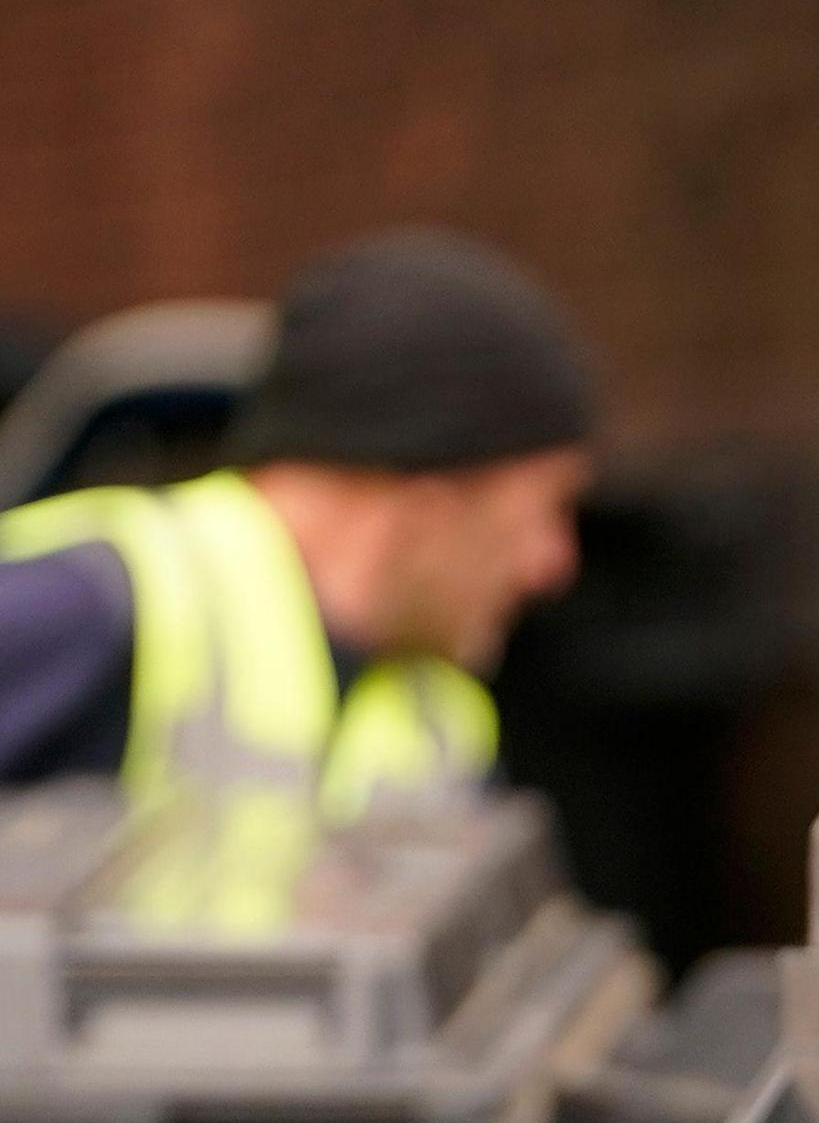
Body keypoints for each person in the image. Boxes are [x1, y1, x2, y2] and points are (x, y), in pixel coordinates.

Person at [0, 229, 595, 925]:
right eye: (542, 512)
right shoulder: (86, 607)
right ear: (429, 509)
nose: (553, 565)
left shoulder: (441, 714)